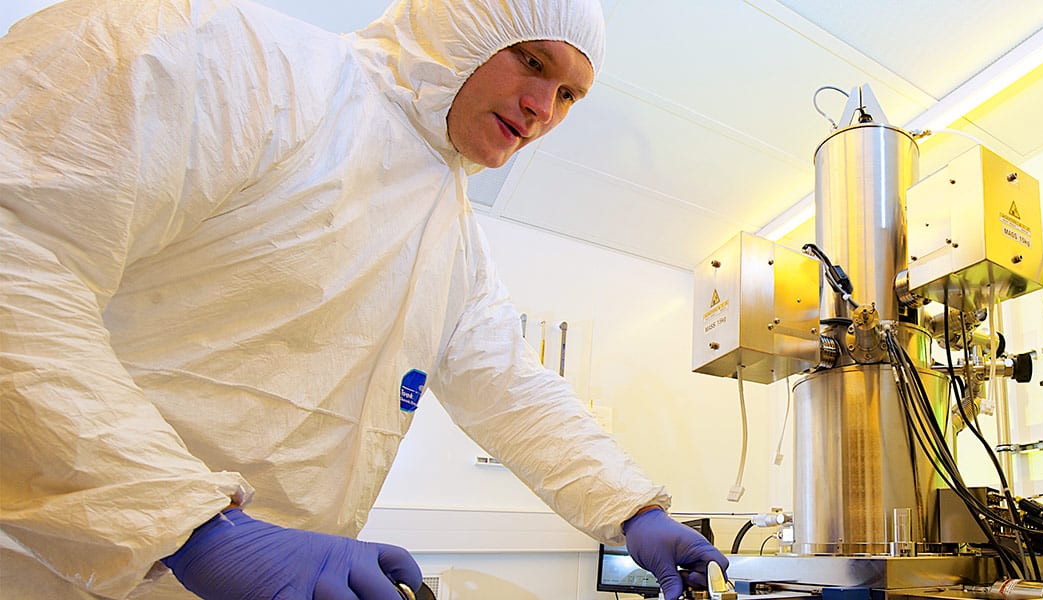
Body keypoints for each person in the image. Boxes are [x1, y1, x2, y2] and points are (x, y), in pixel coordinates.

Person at [0, 0, 727, 598]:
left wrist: (633, 510)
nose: (543, 107)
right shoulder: (245, 64)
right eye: (532, 62)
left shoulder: (451, 241)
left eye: (569, 95)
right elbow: (19, 257)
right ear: (462, 22)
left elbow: (510, 389)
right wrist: (186, 522)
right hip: (52, 565)